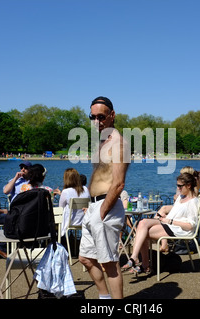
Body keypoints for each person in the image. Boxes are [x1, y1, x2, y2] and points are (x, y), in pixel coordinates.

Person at [78, 96, 130, 299]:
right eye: (93, 117)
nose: (97, 121)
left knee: (110, 263)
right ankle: (104, 298)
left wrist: (101, 211)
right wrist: (90, 206)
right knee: (85, 258)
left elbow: (118, 183)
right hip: (93, 208)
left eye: (101, 116)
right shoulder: (102, 142)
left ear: (112, 116)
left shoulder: (119, 143)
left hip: (105, 209)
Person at [121, 173, 199, 274]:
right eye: (177, 185)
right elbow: (177, 214)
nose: (178, 188)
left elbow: (190, 226)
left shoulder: (193, 202)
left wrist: (170, 221)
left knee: (142, 232)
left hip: (178, 229)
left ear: (188, 185)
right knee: (142, 222)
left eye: (180, 186)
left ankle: (142, 263)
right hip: (169, 224)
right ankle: (136, 258)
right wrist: (167, 218)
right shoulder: (181, 197)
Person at [58, 168, 90, 238]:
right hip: (82, 221)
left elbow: (60, 208)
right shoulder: (85, 189)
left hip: (70, 222)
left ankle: (59, 242)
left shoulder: (66, 191)